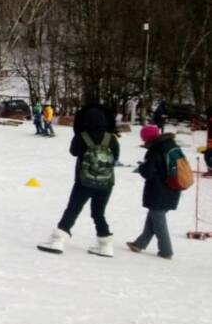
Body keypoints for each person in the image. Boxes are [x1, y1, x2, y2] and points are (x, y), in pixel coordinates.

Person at [38, 105, 119, 257]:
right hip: (106, 182)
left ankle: (58, 240)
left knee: (73, 209)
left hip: (84, 180)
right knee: (99, 213)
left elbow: (73, 152)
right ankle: (105, 245)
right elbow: (116, 157)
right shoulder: (111, 138)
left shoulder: (82, 136)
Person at [127, 125, 183, 259]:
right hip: (173, 187)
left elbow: (148, 173)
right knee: (154, 216)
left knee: (158, 219)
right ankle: (139, 244)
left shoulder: (155, 150)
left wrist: (142, 167)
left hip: (159, 189)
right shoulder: (171, 146)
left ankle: (166, 250)